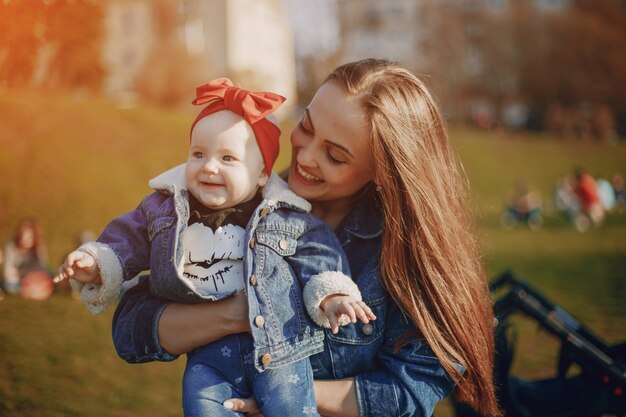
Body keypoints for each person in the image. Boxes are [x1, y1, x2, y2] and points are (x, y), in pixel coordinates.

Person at [108, 59, 500, 417]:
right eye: (307, 127)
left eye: (335, 155)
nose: (306, 156)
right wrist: (234, 316)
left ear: (382, 172)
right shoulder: (237, 202)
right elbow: (131, 328)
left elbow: (410, 392)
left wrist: (288, 397)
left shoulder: (403, 254)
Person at [55, 78, 374, 417]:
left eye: (227, 158)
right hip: (209, 357)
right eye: (198, 154)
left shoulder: (283, 214)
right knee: (204, 406)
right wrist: (97, 260)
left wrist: (333, 296)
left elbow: (320, 257)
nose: (209, 167)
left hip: (280, 354)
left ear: (263, 173)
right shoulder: (165, 209)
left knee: (290, 408)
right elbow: (128, 238)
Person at [2, 218, 52, 297]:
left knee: (51, 276)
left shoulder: (38, 248)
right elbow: (9, 270)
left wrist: (34, 278)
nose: (24, 239)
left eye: (28, 236)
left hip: (34, 276)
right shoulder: (11, 247)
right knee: (10, 286)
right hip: (18, 279)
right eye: (23, 235)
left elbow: (42, 266)